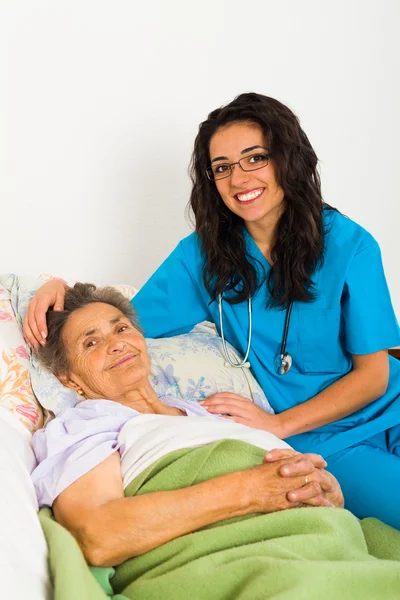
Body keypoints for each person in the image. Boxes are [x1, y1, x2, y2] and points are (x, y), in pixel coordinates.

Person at [25, 93, 400, 530]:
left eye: (254, 158)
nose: (239, 178)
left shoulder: (350, 244)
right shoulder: (202, 258)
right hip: (324, 440)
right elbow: (121, 323)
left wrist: (278, 423)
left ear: (287, 159)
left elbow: (373, 375)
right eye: (222, 167)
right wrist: (60, 289)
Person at [31, 285, 400, 600]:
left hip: (327, 539)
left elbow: (287, 483)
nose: (116, 344)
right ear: (69, 378)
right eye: (91, 341)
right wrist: (250, 491)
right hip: (249, 562)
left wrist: (329, 493)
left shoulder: (206, 411)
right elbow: (98, 534)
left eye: (122, 328)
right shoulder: (83, 424)